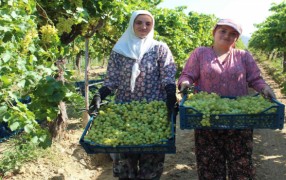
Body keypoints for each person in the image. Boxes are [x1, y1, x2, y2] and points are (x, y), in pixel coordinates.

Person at [178, 18, 276, 180]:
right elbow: (187, 75)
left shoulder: (243, 56)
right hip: (207, 119)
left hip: (239, 119)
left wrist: (265, 88)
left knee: (241, 166)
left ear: (236, 39)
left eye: (232, 34)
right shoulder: (200, 53)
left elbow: (256, 79)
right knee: (209, 167)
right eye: (222, 31)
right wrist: (185, 83)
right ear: (214, 32)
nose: (227, 35)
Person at [89, 10, 177, 180]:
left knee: (151, 165)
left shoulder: (159, 48)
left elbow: (167, 75)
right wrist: (100, 94)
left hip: (153, 112)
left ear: (152, 26)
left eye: (148, 23)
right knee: (125, 165)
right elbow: (112, 80)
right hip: (124, 113)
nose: (143, 26)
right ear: (131, 24)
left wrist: (171, 93)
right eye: (139, 22)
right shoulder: (119, 50)